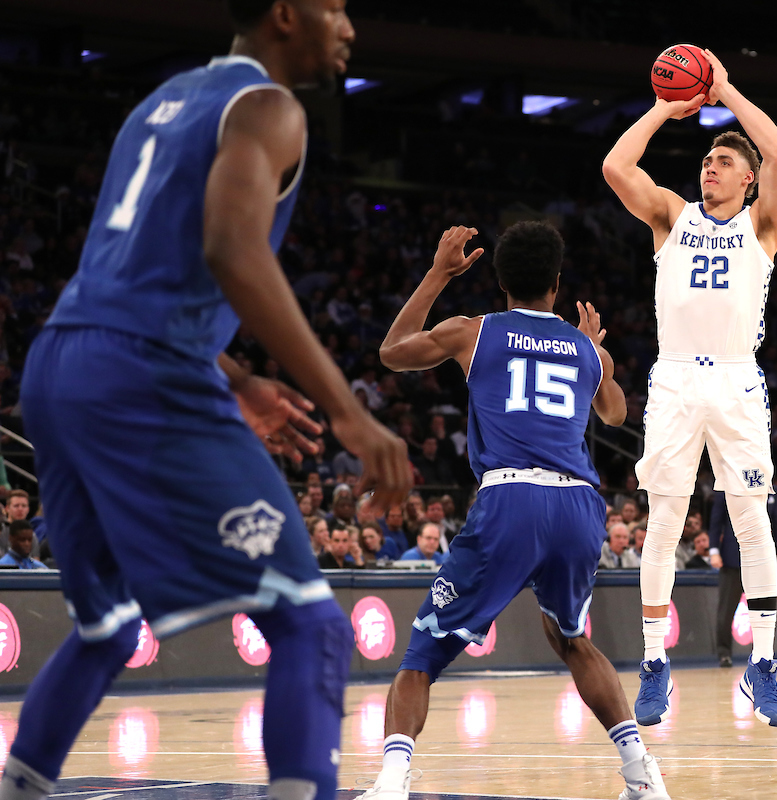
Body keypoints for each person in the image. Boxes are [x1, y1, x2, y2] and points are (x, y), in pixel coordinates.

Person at [0, 6, 416, 800]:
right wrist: (348, 410)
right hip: (141, 374)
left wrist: (235, 376)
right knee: (308, 622)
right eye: (334, 8)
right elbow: (233, 247)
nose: (352, 27)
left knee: (108, 626)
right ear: (286, 13)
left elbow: (129, 274)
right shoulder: (269, 107)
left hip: (61, 361)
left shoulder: (160, 103)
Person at [359, 222, 669, 800]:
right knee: (571, 638)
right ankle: (642, 776)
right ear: (556, 283)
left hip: (511, 497)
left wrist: (438, 274)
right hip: (579, 504)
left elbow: (392, 352)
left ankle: (391, 782)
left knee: (423, 652)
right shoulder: (583, 350)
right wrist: (593, 349)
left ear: (499, 281)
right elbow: (617, 414)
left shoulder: (473, 331)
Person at [603, 48, 777, 729]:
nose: (709, 165)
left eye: (722, 162)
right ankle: (655, 664)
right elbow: (615, 168)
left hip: (739, 380)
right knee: (661, 520)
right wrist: (664, 108)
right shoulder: (671, 217)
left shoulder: (762, 226)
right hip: (677, 377)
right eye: (707, 159)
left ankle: (763, 665)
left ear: (748, 181)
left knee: (753, 524)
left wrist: (727, 89)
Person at [708, 490, 777, 667]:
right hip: (731, 558)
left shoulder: (770, 487)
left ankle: (762, 655)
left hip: (762, 558)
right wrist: (713, 550)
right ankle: (724, 654)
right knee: (726, 611)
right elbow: (716, 522)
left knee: (764, 610)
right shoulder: (726, 486)